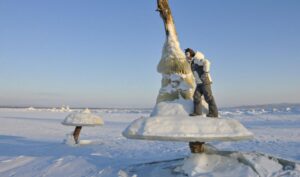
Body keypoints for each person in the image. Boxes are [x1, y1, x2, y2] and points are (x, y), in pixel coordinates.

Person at [185, 48, 218, 117]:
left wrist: (206, 73)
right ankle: (197, 112)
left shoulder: (197, 60)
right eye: (185, 54)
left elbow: (207, 62)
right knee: (196, 96)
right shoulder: (192, 62)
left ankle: (214, 113)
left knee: (208, 97)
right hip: (199, 83)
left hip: (205, 82)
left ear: (191, 53)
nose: (186, 56)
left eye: (187, 54)